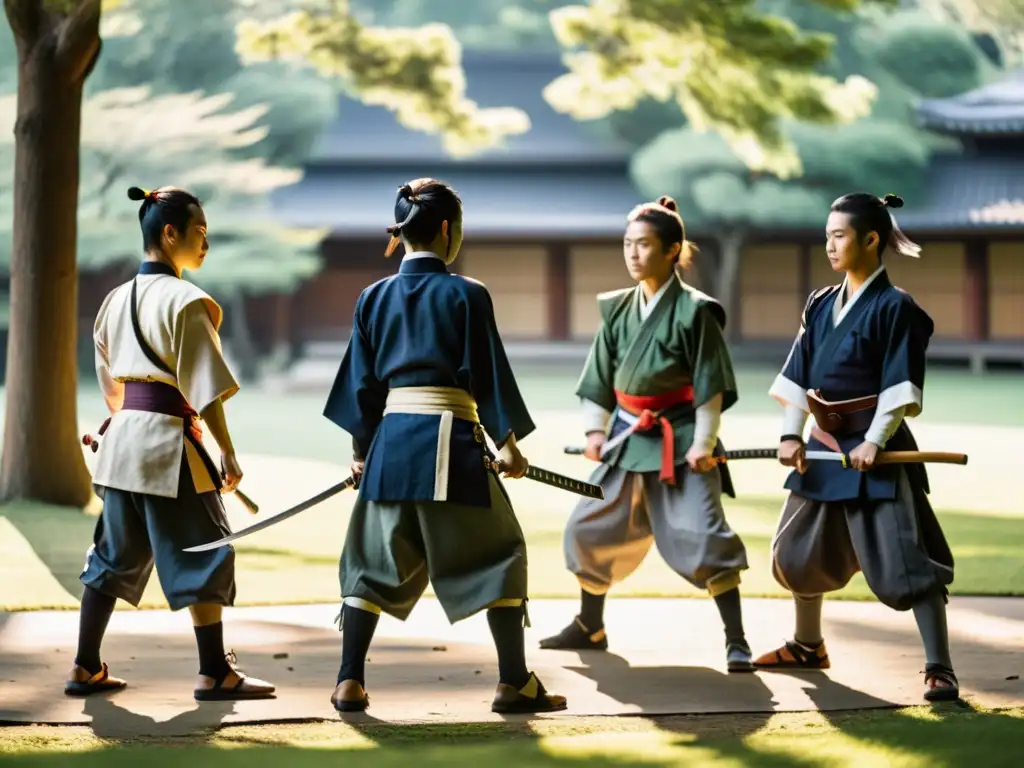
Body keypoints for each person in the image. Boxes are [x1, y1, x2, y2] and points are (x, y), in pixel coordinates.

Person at [322, 178, 567, 715]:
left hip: (389, 449)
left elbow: (361, 387)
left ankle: (349, 681)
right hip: (452, 445)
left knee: (369, 560)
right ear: (449, 231)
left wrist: (361, 453)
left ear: (403, 232)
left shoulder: (372, 297)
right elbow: (489, 374)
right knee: (499, 554)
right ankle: (514, 682)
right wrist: (509, 445)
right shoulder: (467, 294)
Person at [67, 186, 275, 702]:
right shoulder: (187, 302)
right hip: (169, 449)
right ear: (170, 233)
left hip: (122, 447)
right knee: (207, 549)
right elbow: (204, 388)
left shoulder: (113, 300)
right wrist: (226, 449)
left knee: (112, 556)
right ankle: (215, 672)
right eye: (199, 232)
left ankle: (84, 666)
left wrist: (128, 427)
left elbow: (112, 387)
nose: (205, 243)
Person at [751, 192, 959, 703]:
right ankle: (807, 645)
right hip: (823, 449)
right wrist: (789, 434)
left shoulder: (897, 309)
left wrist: (872, 440)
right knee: (796, 553)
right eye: (826, 237)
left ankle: (940, 667)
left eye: (839, 235)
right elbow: (798, 374)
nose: (830, 246)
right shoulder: (821, 303)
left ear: (871, 239)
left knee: (907, 559)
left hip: (877, 452)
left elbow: (898, 384)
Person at [538, 196, 754, 672]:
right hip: (627, 437)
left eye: (644, 245)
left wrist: (702, 442)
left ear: (673, 250)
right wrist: (595, 430)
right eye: (627, 244)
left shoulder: (696, 312)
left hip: (681, 439)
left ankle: (736, 639)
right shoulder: (617, 309)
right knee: (588, 527)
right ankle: (589, 625)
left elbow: (709, 385)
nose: (633, 254)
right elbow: (598, 378)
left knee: (705, 534)